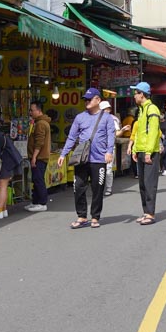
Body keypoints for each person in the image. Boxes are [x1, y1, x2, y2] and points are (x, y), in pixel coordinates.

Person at [59, 88, 118, 228]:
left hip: (99, 159)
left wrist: (109, 152)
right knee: (78, 187)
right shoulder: (80, 117)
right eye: (85, 99)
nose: (86, 102)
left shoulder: (107, 118)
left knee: (98, 189)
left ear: (98, 100)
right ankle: (81, 216)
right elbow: (72, 137)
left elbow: (111, 136)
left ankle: (95, 217)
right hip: (82, 159)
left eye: (89, 99)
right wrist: (63, 153)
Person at [129, 82, 163, 224]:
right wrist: (136, 149)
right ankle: (146, 211)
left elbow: (154, 132)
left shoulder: (151, 109)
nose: (134, 96)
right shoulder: (142, 110)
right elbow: (139, 132)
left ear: (141, 94)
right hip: (142, 150)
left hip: (150, 152)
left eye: (135, 93)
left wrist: (148, 152)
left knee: (149, 184)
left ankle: (150, 213)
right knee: (142, 184)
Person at [26, 100, 52, 212]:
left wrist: (34, 157)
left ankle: (42, 202)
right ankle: (36, 201)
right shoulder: (39, 122)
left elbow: (39, 142)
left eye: (32, 110)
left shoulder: (41, 124)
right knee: (36, 179)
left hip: (39, 157)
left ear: (38, 110)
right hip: (39, 156)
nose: (30, 112)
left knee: (38, 179)